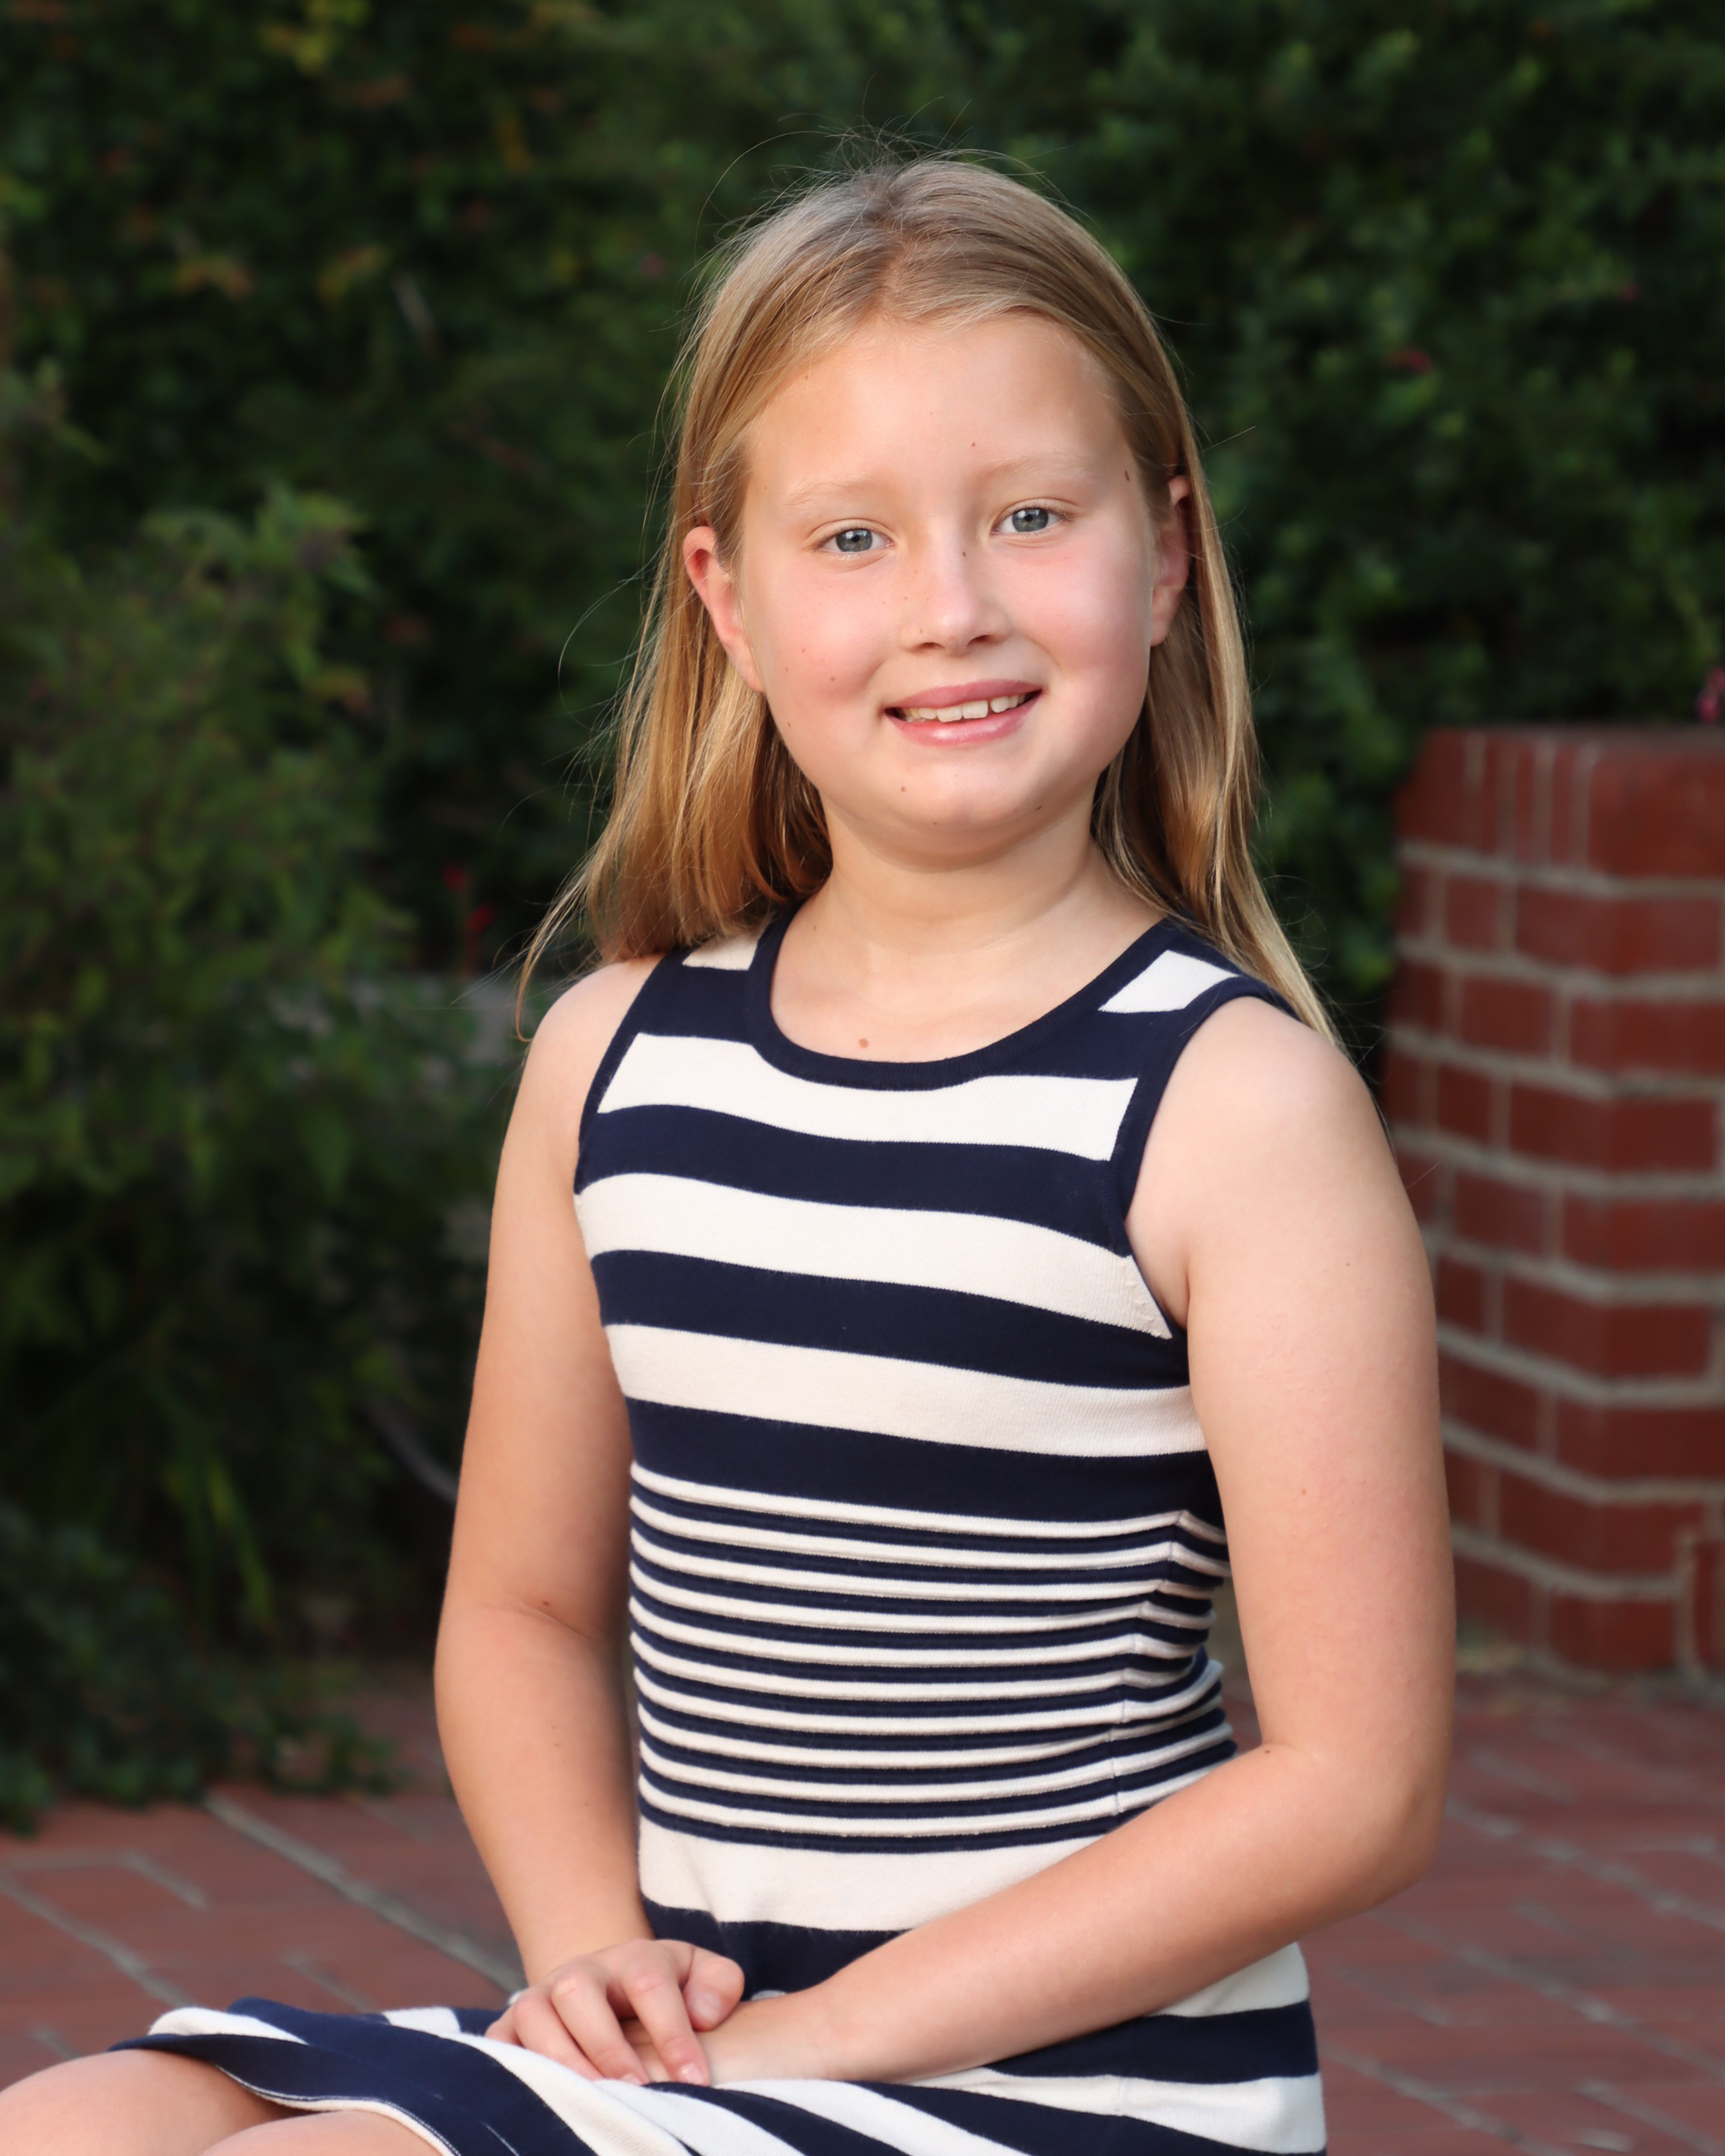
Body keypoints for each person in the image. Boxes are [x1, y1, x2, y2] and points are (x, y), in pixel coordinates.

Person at [1, 157, 1452, 2156]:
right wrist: (593, 1956)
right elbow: (519, 1613)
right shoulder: (613, 1062)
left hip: (1069, 2095)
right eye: (852, 536)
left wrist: (817, 2039)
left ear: (1170, 553)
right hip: (713, 2060)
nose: (953, 605)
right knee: (70, 2124)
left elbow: (1360, 1784)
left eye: (1033, 517)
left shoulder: (1232, 1108)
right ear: (729, 601)